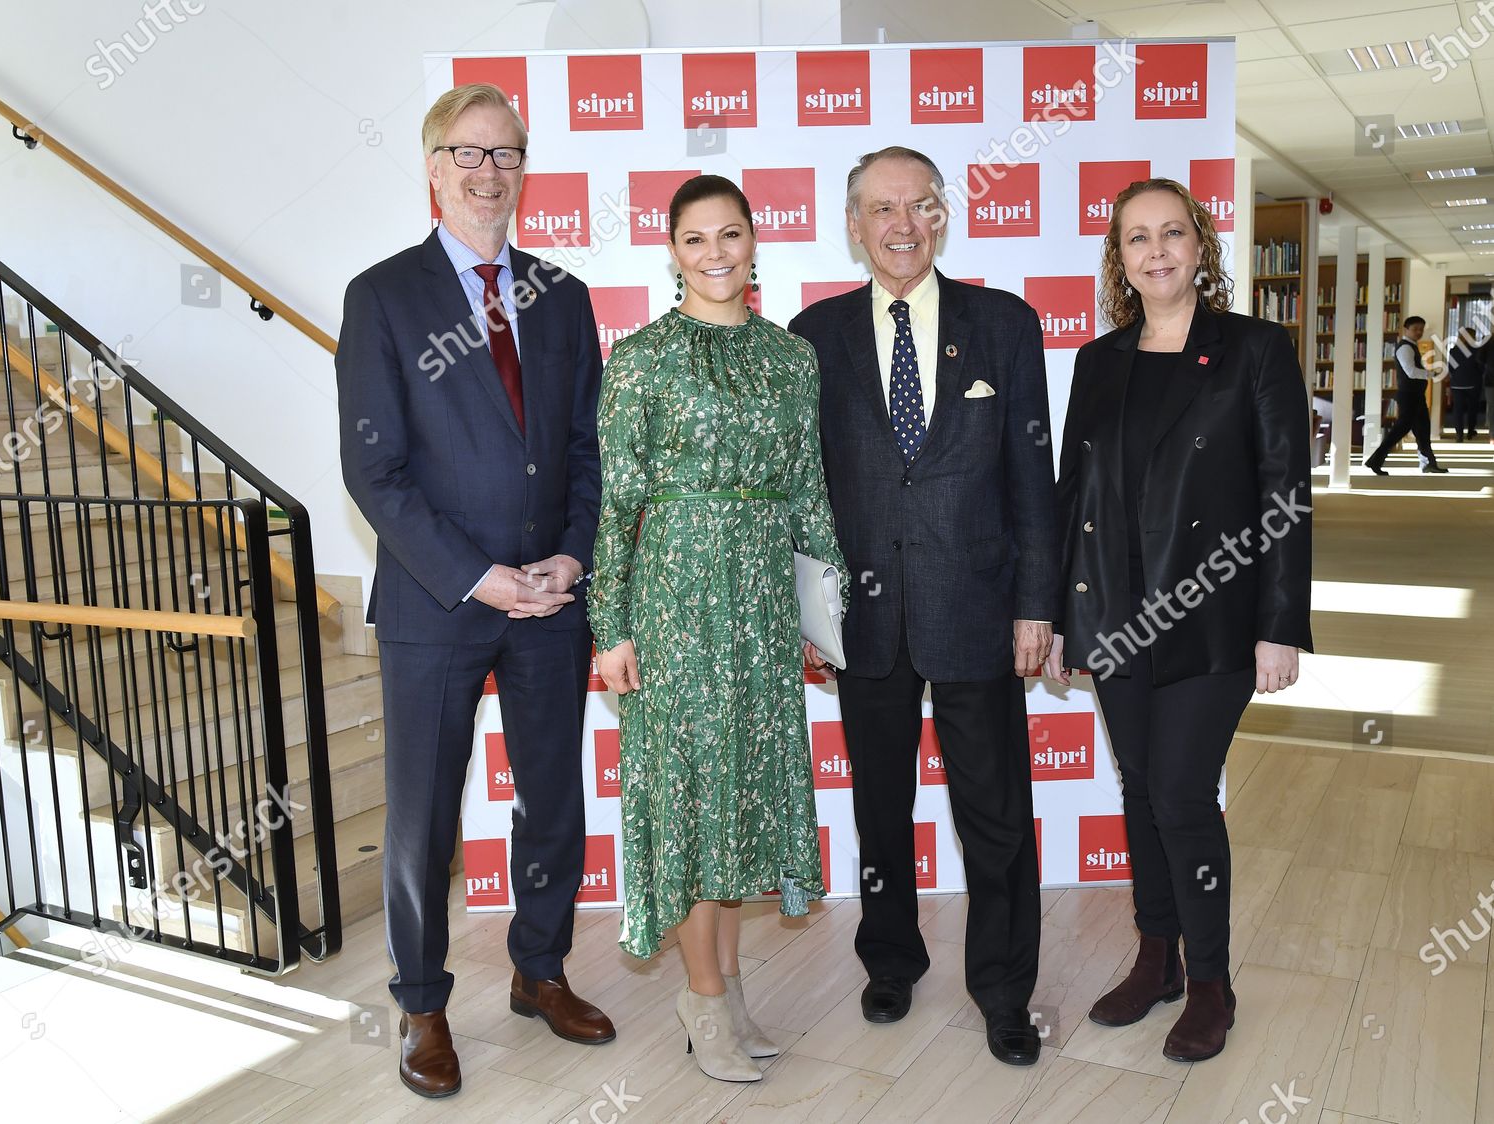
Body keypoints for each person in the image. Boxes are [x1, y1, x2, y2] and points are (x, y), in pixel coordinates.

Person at [336, 83, 613, 1100]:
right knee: (422, 817)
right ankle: (421, 1001)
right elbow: (374, 470)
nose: (488, 172)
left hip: (549, 603)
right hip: (435, 603)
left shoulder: (561, 293)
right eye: (469, 153)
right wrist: (475, 574)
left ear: (523, 170)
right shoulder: (383, 295)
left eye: (506, 154)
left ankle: (539, 971)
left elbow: (587, 451)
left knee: (553, 799)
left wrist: (571, 560)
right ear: (433, 167)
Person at [788, 147, 1059, 1068]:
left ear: (942, 216)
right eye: (881, 208)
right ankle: (890, 961)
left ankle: (1005, 990)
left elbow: (1034, 476)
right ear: (854, 225)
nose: (901, 224)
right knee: (879, 808)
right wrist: (805, 613)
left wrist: (1036, 605)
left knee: (996, 812)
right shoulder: (811, 335)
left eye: (918, 205)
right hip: (863, 617)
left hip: (979, 609)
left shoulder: (1005, 324)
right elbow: (801, 492)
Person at [1045, 177, 1313, 1063]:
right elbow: (1071, 496)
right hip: (1117, 619)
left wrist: (1281, 624)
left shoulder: (1255, 350)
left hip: (1213, 619)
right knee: (1138, 792)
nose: (1156, 251)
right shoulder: (1098, 360)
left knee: (1182, 797)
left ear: (1201, 245)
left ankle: (1210, 981)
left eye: (1172, 233)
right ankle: (1154, 955)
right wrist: (1055, 615)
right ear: (1118, 259)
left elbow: (1285, 494)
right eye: (1136, 239)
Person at [588, 174, 847, 1084]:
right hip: (676, 598)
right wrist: (611, 625)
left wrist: (826, 614)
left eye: (729, 235)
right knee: (698, 792)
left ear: (752, 243)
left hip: (766, 602)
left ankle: (728, 988)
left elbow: (810, 487)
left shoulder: (790, 358)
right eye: (695, 240)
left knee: (744, 791)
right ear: (671, 251)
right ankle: (702, 1002)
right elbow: (617, 502)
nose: (715, 254)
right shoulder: (642, 360)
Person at [1364, 316, 1448, 473]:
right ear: (1405, 329)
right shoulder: (1405, 348)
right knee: (1400, 430)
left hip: (1416, 395)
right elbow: (1410, 371)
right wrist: (1431, 374)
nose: (1419, 332)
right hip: (1409, 396)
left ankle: (1428, 463)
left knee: (1423, 429)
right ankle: (1375, 461)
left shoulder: (1412, 346)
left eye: (1421, 329)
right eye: (1415, 328)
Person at [1448, 326, 1482, 441]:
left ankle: (1459, 434)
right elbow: (1480, 367)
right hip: (1473, 383)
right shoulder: (1476, 350)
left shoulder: (1453, 350)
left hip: (1457, 383)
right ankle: (1470, 431)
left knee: (1458, 409)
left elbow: (1450, 368)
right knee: (1473, 408)